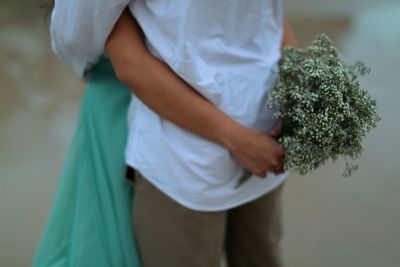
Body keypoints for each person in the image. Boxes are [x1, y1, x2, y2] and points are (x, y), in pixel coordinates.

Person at [34, 1, 296, 266]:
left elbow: (272, 16)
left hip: (266, 142)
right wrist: (238, 138)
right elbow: (128, 62)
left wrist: (299, 91)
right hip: (184, 160)